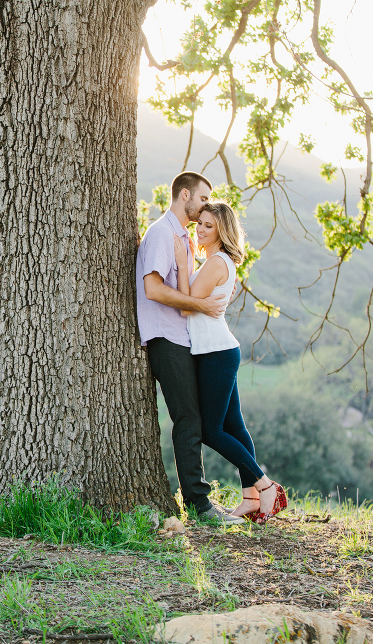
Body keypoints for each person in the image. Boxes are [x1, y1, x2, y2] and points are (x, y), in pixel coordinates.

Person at [136, 171, 243, 525]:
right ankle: (200, 506)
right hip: (166, 338)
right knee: (189, 419)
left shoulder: (185, 239)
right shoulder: (163, 233)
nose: (203, 207)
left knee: (196, 419)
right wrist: (200, 306)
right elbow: (153, 289)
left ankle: (206, 501)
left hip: (185, 340)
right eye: (201, 199)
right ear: (185, 196)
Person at [173, 201, 287, 524]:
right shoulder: (217, 262)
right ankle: (251, 497)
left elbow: (185, 306)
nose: (201, 230)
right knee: (235, 426)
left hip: (215, 354)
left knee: (211, 430)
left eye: (209, 226)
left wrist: (184, 264)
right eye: (200, 224)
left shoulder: (215, 263)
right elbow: (197, 301)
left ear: (222, 230)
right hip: (220, 349)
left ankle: (266, 486)